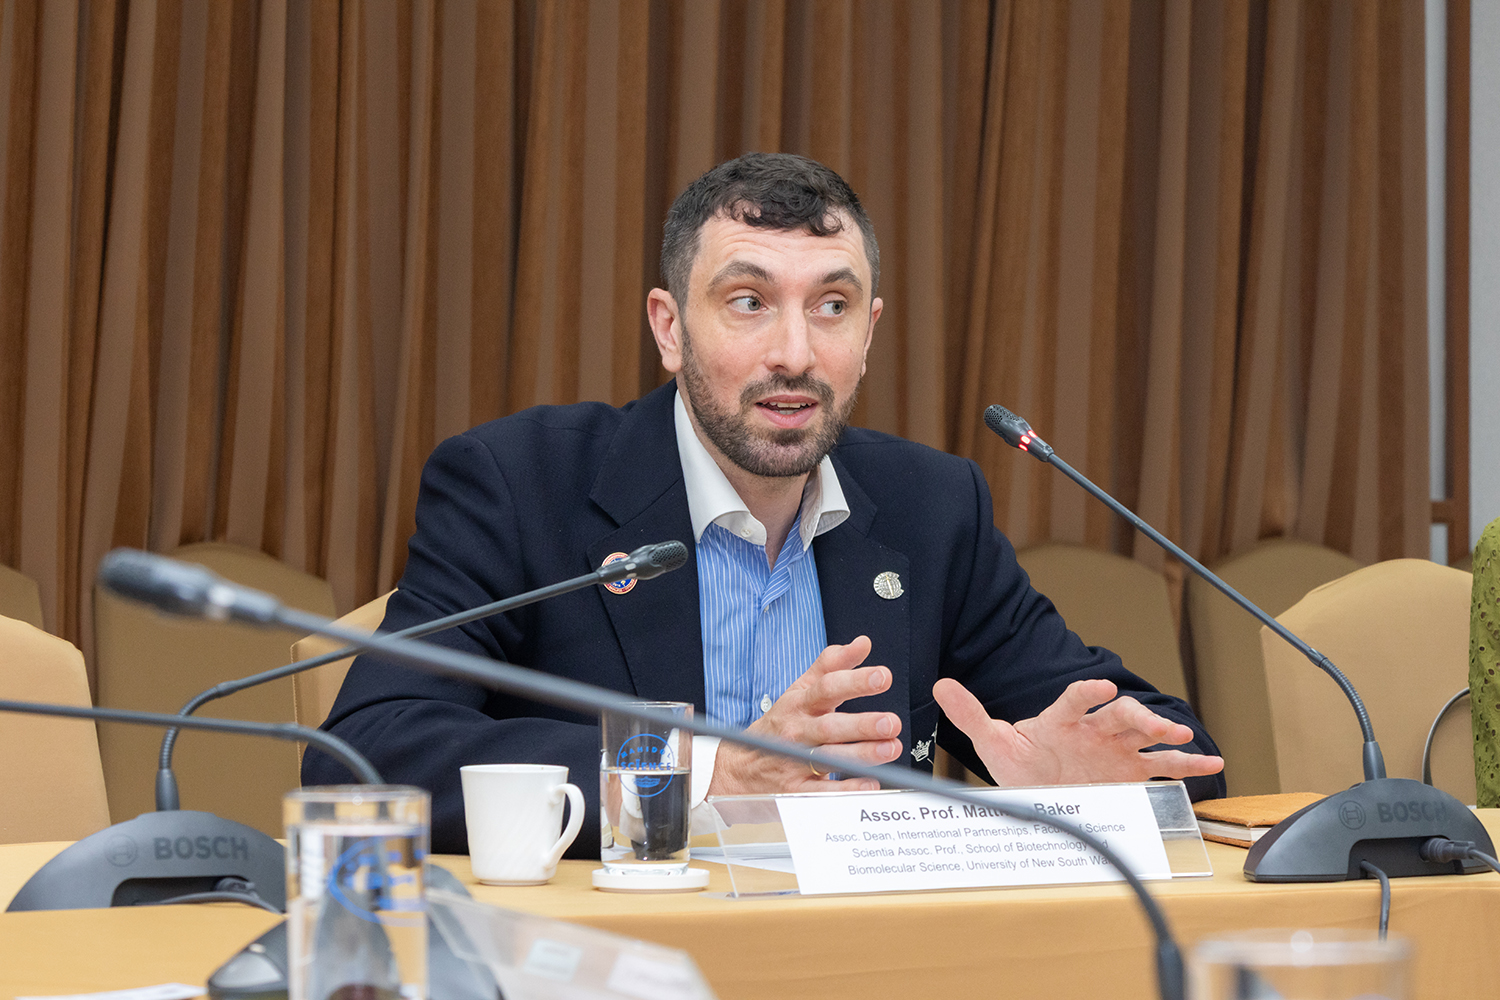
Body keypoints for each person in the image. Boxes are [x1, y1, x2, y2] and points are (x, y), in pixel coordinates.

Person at [304, 152, 1225, 855]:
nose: (795, 352)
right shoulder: (520, 484)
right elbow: (368, 754)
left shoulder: (929, 506)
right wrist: (708, 773)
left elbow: (1186, 756)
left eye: (831, 307)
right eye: (748, 302)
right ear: (670, 327)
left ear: (869, 333)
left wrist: (1076, 789)